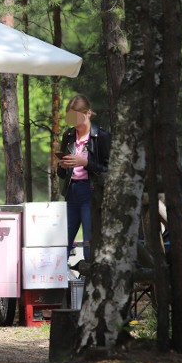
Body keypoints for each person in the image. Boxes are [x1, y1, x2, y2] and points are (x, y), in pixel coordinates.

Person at [56, 94, 110, 273]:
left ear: (87, 114)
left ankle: (90, 283)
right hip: (72, 192)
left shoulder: (100, 136)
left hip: (91, 192)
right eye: (71, 118)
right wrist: (62, 165)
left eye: (76, 118)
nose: (74, 123)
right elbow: (62, 174)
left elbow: (108, 170)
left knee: (89, 240)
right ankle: (60, 284)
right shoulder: (69, 135)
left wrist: (86, 163)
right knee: (64, 240)